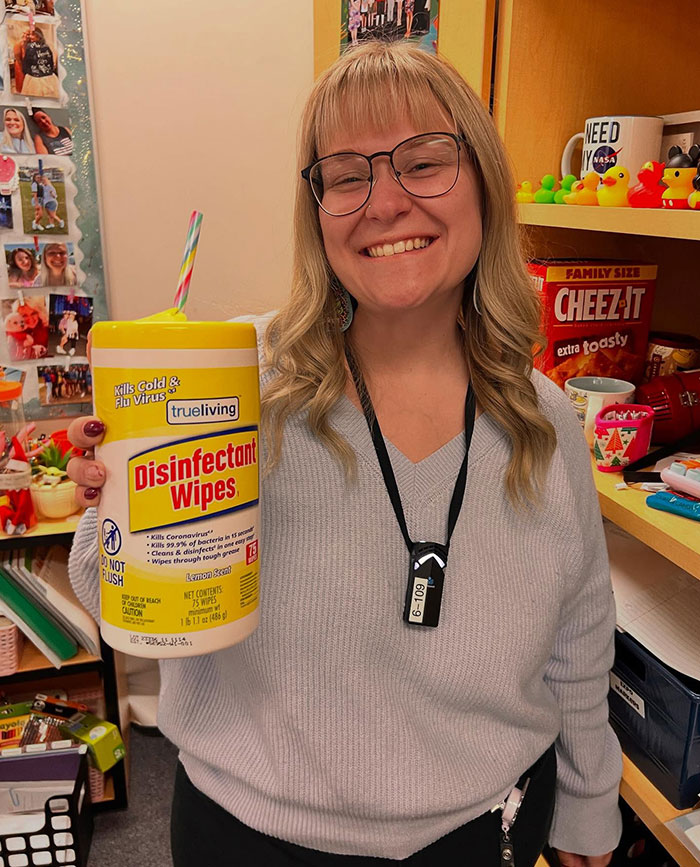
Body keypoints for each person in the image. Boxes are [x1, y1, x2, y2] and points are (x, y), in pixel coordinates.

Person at [66, 42, 621, 867]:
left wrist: (588, 801)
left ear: (484, 182)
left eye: (424, 161)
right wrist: (113, 507)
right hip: (250, 838)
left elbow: (580, 626)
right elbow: (117, 603)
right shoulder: (232, 377)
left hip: (483, 832)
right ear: (317, 206)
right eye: (347, 174)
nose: (385, 201)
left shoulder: (539, 414)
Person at [13, 25, 59, 98]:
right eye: (26, 34)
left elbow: (51, 59)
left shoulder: (43, 46)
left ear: (38, 36)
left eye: (30, 34)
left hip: (37, 74)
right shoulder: (20, 45)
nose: (29, 36)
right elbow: (19, 59)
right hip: (25, 69)